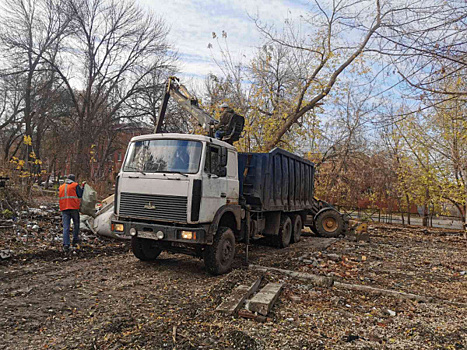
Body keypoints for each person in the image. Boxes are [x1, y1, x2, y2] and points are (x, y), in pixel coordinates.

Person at [58, 174, 85, 252]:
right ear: (74, 179)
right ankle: (75, 240)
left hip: (64, 208)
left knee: (66, 227)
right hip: (73, 208)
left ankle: (66, 244)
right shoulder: (75, 185)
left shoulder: (61, 187)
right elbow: (80, 194)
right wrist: (83, 187)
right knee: (76, 224)